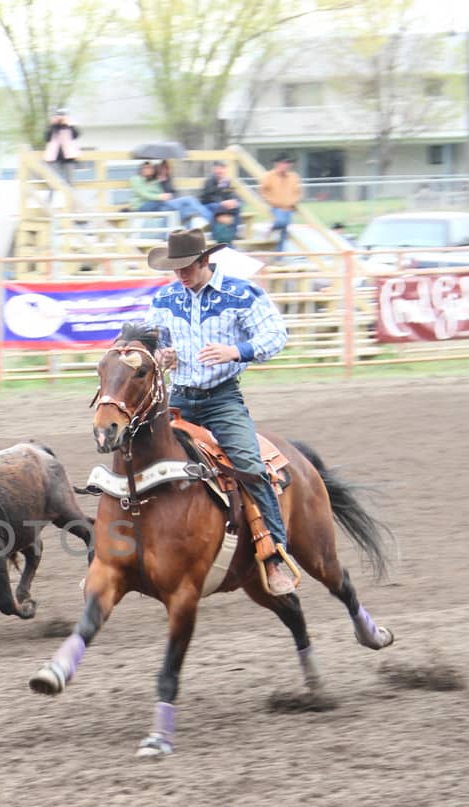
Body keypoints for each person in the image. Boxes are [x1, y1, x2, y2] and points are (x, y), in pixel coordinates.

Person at [143, 229, 297, 596]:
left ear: (204, 262)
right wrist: (162, 355)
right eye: (175, 268)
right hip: (179, 397)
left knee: (250, 466)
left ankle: (274, 556)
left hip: (221, 400)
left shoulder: (241, 294)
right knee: (142, 463)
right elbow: (157, 343)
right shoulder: (164, 299)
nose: (180, 275)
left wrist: (236, 351)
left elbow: (276, 334)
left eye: (187, 267)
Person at [259, 153, 301, 252]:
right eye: (283, 163)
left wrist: (293, 201)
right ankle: (271, 230)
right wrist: (272, 201)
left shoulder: (294, 177)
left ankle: (279, 256)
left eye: (287, 163)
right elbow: (263, 191)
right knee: (282, 222)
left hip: (289, 208)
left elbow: (298, 192)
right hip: (276, 207)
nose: (286, 165)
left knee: (283, 232)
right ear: (277, 164)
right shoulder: (269, 176)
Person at [199, 160, 242, 231]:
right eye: (218, 169)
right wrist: (222, 202)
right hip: (208, 205)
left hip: (223, 204)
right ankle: (219, 233)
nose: (220, 171)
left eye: (223, 169)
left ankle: (233, 232)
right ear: (214, 170)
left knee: (236, 206)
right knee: (219, 207)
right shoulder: (209, 181)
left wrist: (233, 201)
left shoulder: (227, 182)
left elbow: (231, 194)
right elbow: (209, 197)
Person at [42, 108, 81, 185]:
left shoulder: (70, 126)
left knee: (70, 182)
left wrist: (69, 125)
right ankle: (50, 197)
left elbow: (76, 135)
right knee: (52, 182)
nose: (61, 118)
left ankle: (70, 197)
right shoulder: (52, 127)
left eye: (63, 115)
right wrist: (52, 125)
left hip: (68, 158)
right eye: (59, 115)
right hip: (54, 158)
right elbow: (46, 138)